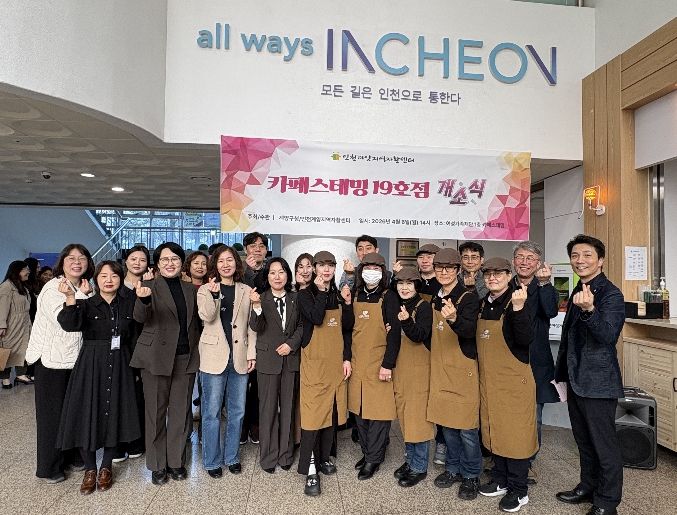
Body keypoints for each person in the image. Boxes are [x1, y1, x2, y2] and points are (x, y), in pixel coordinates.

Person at [55, 261, 141, 495]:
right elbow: (69, 324)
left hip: (121, 362)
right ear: (96, 279)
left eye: (114, 275)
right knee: (88, 414)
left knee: (114, 414)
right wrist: (71, 298)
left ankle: (106, 467)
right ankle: (90, 469)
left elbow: (135, 335)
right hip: (91, 365)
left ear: (121, 279)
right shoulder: (86, 303)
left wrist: (135, 368)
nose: (109, 280)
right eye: (103, 276)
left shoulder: (129, 303)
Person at [555, 235, 625, 515]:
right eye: (575, 255)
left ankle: (607, 502)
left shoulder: (610, 294)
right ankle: (588, 486)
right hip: (576, 380)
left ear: (601, 260)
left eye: (587, 255)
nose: (580, 260)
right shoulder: (579, 289)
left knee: (604, 445)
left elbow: (607, 336)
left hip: (598, 382)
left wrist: (590, 310)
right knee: (584, 441)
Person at [131, 242, 201, 486]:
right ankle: (157, 464)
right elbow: (140, 317)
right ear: (158, 264)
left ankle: (176, 461)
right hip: (156, 358)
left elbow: (197, 322)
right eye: (165, 259)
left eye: (175, 259)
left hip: (185, 358)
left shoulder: (190, 289)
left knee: (181, 414)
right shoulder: (148, 286)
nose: (170, 263)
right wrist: (143, 301)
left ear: (182, 263)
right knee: (156, 413)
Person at [25, 243, 94, 483]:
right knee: (52, 417)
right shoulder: (54, 288)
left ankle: (71, 456)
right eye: (71, 258)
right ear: (62, 263)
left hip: (73, 360)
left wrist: (84, 294)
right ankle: (48, 467)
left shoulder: (82, 286)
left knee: (72, 412)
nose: (77, 262)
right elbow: (67, 321)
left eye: (82, 258)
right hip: (51, 361)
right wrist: (83, 296)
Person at [477, 257, 536, 513]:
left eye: (498, 273)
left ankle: (519, 490)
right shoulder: (484, 303)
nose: (492, 278)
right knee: (494, 430)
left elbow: (526, 339)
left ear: (509, 275)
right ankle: (500, 479)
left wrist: (520, 310)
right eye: (488, 274)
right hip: (489, 381)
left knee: (516, 435)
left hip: (514, 382)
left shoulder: (518, 300)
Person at [427, 249, 482, 501]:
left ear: (458, 270)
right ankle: (452, 468)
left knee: (467, 429)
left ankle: (471, 474)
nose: (444, 272)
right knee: (447, 424)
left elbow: (469, 332)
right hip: (441, 368)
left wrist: (454, 319)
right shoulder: (434, 298)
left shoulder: (468, 297)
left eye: (449, 268)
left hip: (462, 369)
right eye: (439, 267)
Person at [197, 245, 256, 478]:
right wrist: (214, 295)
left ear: (236, 263)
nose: (225, 264)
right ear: (215, 265)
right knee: (211, 413)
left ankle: (231, 457)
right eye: (221, 261)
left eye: (229, 260)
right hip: (213, 357)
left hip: (239, 357)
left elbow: (251, 326)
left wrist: (252, 353)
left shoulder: (246, 290)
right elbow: (207, 316)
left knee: (237, 411)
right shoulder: (205, 289)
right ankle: (211, 461)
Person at [297, 251, 351, 496]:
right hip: (314, 365)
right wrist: (319, 291)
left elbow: (347, 328)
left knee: (330, 412)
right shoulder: (305, 294)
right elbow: (317, 318)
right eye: (322, 265)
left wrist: (346, 357)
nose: (326, 270)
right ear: (314, 268)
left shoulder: (338, 294)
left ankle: (324, 457)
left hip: (335, 365)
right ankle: (310, 470)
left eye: (331, 265)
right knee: (312, 417)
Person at [345, 252, 401, 481]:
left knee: (378, 414)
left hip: (379, 363)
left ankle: (374, 459)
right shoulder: (355, 293)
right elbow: (348, 328)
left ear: (383, 272)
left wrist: (388, 364)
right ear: (361, 271)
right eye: (367, 267)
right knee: (359, 411)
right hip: (358, 362)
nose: (371, 272)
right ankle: (368, 452)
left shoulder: (389, 296)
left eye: (376, 268)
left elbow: (394, 334)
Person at [511, 241, 559, 483]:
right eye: (520, 257)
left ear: (539, 264)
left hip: (536, 360)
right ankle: (503, 456)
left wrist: (544, 283)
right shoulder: (505, 285)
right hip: (508, 359)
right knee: (507, 411)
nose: (524, 262)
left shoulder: (545, 287)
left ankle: (528, 461)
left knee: (534, 415)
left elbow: (550, 311)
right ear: (513, 261)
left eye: (530, 258)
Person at [249, 257, 302, 473]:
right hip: (268, 361)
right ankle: (268, 457)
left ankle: (286, 455)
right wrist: (256, 306)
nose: (277, 276)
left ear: (287, 275)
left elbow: (302, 326)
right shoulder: (260, 298)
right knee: (268, 409)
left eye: (281, 272)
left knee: (288, 408)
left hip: (290, 360)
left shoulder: (296, 298)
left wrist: (291, 344)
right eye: (272, 273)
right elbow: (256, 326)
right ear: (267, 276)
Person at [391, 268, 434, 488]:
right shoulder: (401, 305)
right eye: (401, 283)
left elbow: (420, 336)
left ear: (416, 286)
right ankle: (410, 461)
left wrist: (407, 322)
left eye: (409, 284)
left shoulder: (423, 307)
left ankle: (419, 467)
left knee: (418, 420)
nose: (404, 288)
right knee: (406, 417)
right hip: (402, 370)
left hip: (418, 372)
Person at [114, 245, 151, 464]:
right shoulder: (116, 285)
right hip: (119, 349)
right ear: (126, 261)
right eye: (133, 258)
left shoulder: (151, 286)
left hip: (144, 347)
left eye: (142, 260)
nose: (137, 263)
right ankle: (117, 442)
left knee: (139, 396)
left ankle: (137, 441)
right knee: (118, 395)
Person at [241, 232, 269, 445]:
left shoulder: (272, 271)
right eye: (253, 245)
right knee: (242, 384)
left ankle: (256, 425)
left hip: (265, 333)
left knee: (260, 386)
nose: (257, 249)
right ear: (246, 250)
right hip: (242, 335)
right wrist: (249, 271)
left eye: (261, 245)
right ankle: (241, 427)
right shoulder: (239, 272)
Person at [0, 261, 32, 388]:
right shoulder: (6, 287)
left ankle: (20, 374)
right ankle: (5, 378)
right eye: (25, 269)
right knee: (7, 350)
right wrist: (2, 325)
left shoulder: (21, 286)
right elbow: (2, 307)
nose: (28, 272)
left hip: (24, 324)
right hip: (11, 325)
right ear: (16, 271)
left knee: (23, 349)